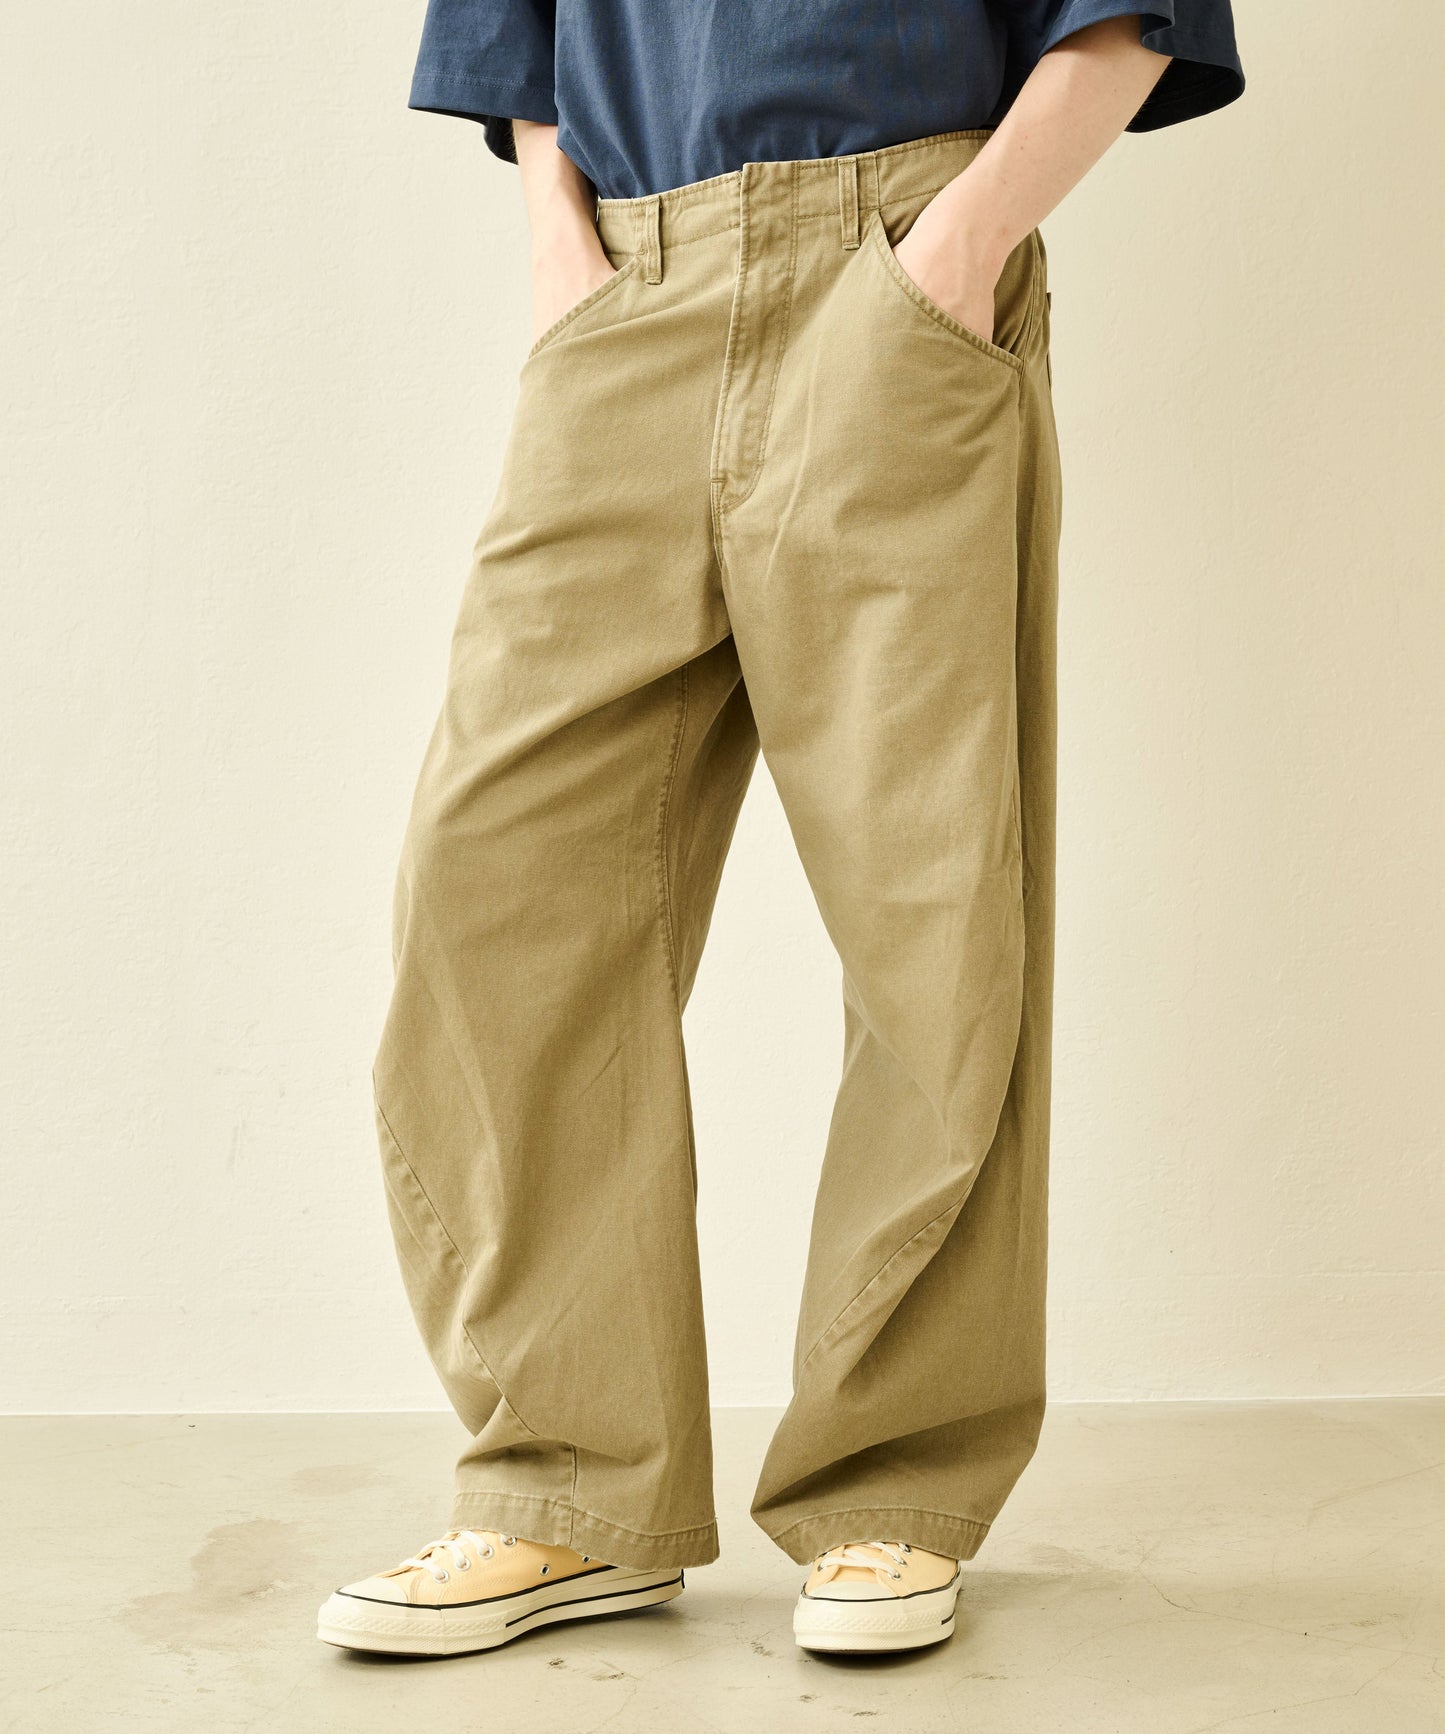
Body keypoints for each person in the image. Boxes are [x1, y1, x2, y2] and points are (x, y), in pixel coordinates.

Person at [316, 0, 1243, 1661]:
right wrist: (561, 246)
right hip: (626, 278)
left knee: (930, 908)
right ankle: (566, 1490)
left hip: (896, 260)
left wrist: (955, 247)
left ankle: (894, 1487)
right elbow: (511, 34)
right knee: (493, 894)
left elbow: (1133, 13)